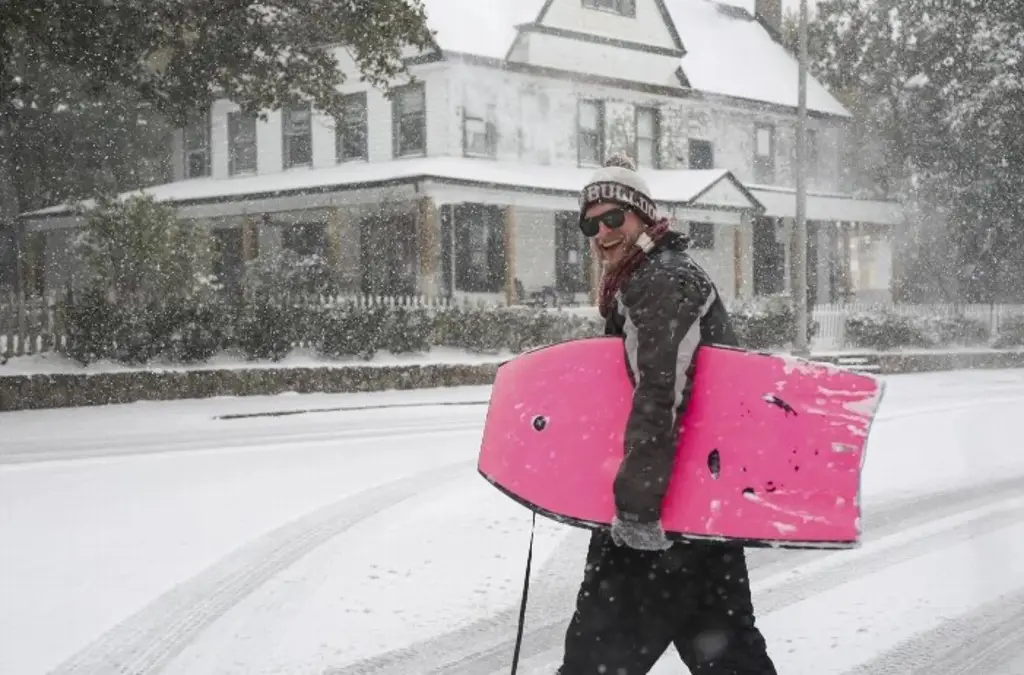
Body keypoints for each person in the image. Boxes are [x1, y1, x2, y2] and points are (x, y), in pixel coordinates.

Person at [557, 154, 778, 675]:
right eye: (592, 222)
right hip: (699, 504)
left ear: (643, 218)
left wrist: (636, 513)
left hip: (661, 515)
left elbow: (661, 397)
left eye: (616, 218)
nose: (603, 232)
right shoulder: (657, 275)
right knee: (727, 654)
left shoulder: (659, 282)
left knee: (596, 661)